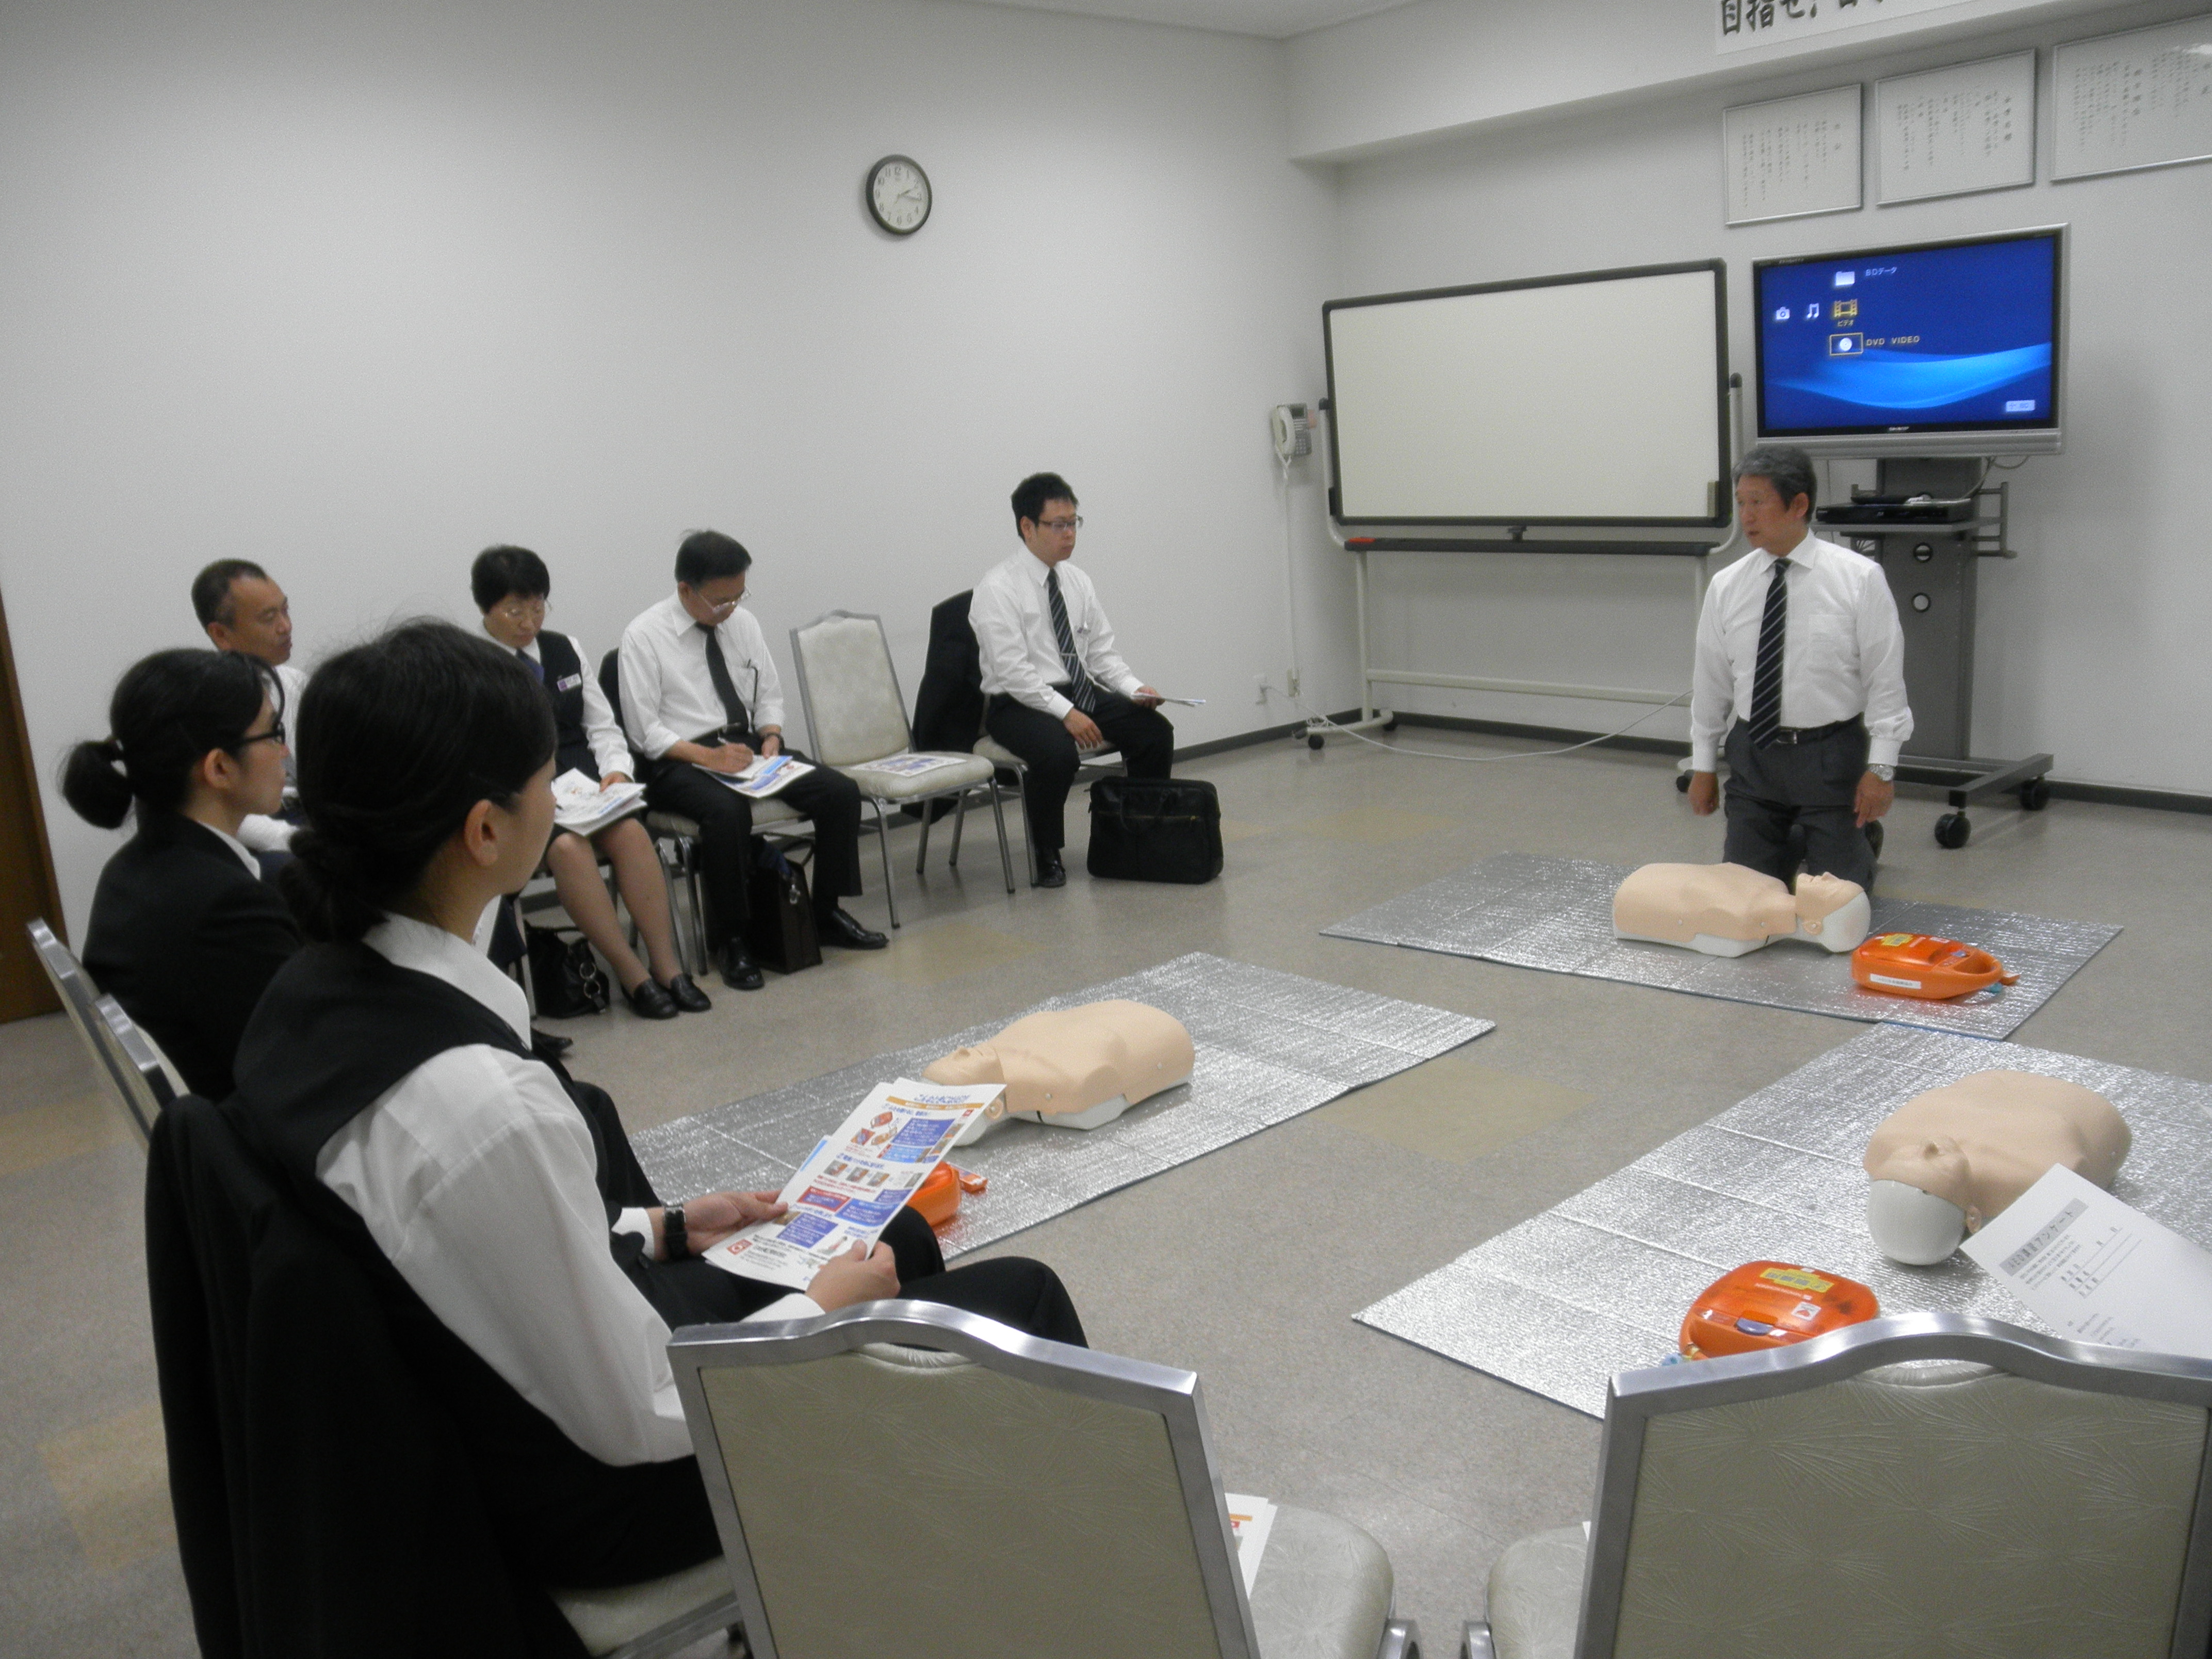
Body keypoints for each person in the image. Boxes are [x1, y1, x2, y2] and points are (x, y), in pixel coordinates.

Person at [231, 619, 1082, 1587]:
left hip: (506, 1403)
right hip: (607, 1492)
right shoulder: (484, 1108)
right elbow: (645, 1412)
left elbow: (483, 1247)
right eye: (547, 781)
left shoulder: (314, 991)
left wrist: (665, 1224)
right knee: (1019, 1299)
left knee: (899, 1237)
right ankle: (1037, 1579)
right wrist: (816, 1311)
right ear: (486, 831)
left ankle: (923, 1547)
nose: (562, 799)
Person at [618, 530, 887, 989]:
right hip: (678, 759)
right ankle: (733, 939)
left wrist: (772, 736)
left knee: (840, 792)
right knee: (726, 813)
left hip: (744, 747)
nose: (731, 608)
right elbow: (645, 733)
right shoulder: (643, 636)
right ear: (686, 589)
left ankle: (825, 912)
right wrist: (710, 757)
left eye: (739, 596)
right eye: (721, 600)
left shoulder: (742, 624)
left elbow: (769, 695)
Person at [470, 545, 708, 1021]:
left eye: (538, 607)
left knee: (632, 833)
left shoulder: (565, 649)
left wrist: (616, 771)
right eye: (515, 611)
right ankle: (631, 974)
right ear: (485, 608)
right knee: (568, 850)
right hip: (523, 800)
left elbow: (601, 726)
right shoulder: (470, 666)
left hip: (585, 786)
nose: (529, 622)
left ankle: (667, 968)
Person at [62, 650, 302, 1101]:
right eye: (274, 734)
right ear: (219, 768)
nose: (285, 752)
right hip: (252, 1128)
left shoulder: (129, 870)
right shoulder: (223, 906)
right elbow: (308, 1064)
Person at [1686, 445, 1911, 891]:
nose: (1746, 516)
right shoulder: (1727, 585)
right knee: (1744, 900)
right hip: (1755, 755)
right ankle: (1790, 842)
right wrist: (1703, 766)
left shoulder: (1859, 578)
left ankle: (1845, 842)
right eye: (1741, 502)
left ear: (1799, 504)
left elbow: (1885, 678)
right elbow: (1711, 682)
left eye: (1758, 501)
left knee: (1837, 906)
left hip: (1830, 755)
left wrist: (1882, 769)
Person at [971, 472, 1174, 887]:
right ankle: (1047, 852)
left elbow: (1101, 654)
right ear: (1028, 527)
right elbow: (1013, 673)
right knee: (1058, 754)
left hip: (1078, 691)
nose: (1069, 534)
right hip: (1017, 703)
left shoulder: (1078, 581)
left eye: (1074, 523)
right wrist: (1066, 714)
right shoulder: (998, 588)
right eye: (1058, 525)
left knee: (1154, 731)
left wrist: (1134, 689)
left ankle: (1138, 832)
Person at [190, 558, 307, 857]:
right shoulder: (202, 705)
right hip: (256, 837)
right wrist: (293, 839)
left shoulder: (295, 683)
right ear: (221, 634)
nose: (286, 627)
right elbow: (210, 806)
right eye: (269, 618)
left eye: (285, 610)